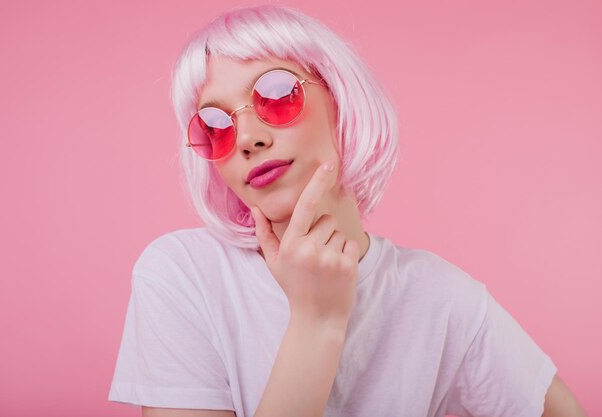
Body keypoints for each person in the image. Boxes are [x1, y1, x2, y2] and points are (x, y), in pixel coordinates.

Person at [108, 5, 588, 417]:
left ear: (340, 99)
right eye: (215, 126)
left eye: (275, 96)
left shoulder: (443, 298)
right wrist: (316, 322)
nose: (249, 139)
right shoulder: (181, 275)